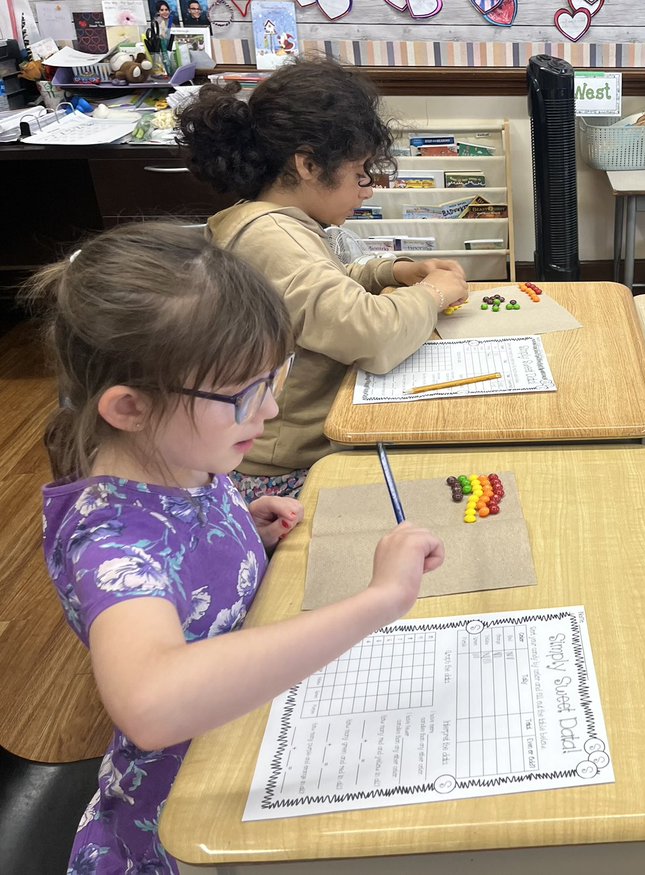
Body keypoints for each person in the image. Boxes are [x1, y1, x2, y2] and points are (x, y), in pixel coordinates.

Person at [28, 223, 445, 874]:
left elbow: (181, 569)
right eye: (246, 394)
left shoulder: (184, 459)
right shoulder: (107, 538)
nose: (271, 409)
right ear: (130, 407)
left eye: (274, 379)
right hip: (185, 825)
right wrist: (377, 601)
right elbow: (152, 703)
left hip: (250, 737)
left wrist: (243, 529)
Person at [177, 58, 468, 500]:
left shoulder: (271, 222)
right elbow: (371, 334)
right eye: (360, 172)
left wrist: (396, 271)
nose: (367, 189)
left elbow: (325, 284)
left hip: (299, 444)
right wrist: (433, 293)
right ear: (309, 165)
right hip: (286, 470)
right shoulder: (271, 238)